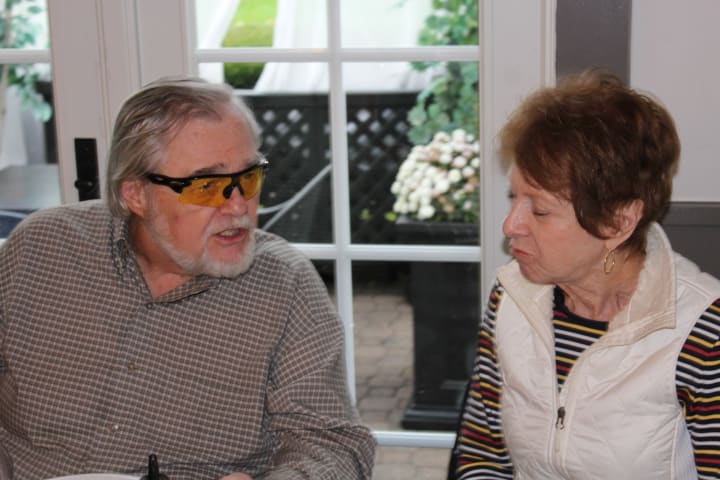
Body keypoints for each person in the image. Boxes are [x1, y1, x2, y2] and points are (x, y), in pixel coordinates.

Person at [0, 76, 375, 480]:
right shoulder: (42, 248)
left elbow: (333, 445)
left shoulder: (285, 284)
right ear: (135, 194)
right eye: (206, 186)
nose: (239, 207)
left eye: (249, 177)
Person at [448, 69, 720, 479]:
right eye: (513, 197)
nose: (510, 225)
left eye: (540, 210)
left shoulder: (704, 332)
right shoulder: (510, 297)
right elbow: (483, 454)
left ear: (617, 222)